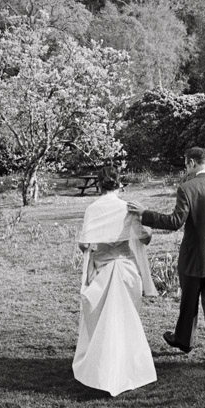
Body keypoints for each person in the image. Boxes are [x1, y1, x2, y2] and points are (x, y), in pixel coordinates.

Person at [127, 147, 205, 370]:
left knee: (189, 302)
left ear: (191, 163)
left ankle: (185, 341)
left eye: (185, 164)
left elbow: (175, 222)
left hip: (192, 257)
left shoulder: (187, 188)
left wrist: (145, 213)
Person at [74, 166, 158, 396]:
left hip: (103, 270)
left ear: (99, 185)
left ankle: (103, 369)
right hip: (126, 270)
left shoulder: (92, 209)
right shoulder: (127, 208)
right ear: (119, 184)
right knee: (125, 320)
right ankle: (128, 366)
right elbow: (146, 238)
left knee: (104, 322)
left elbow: (84, 244)